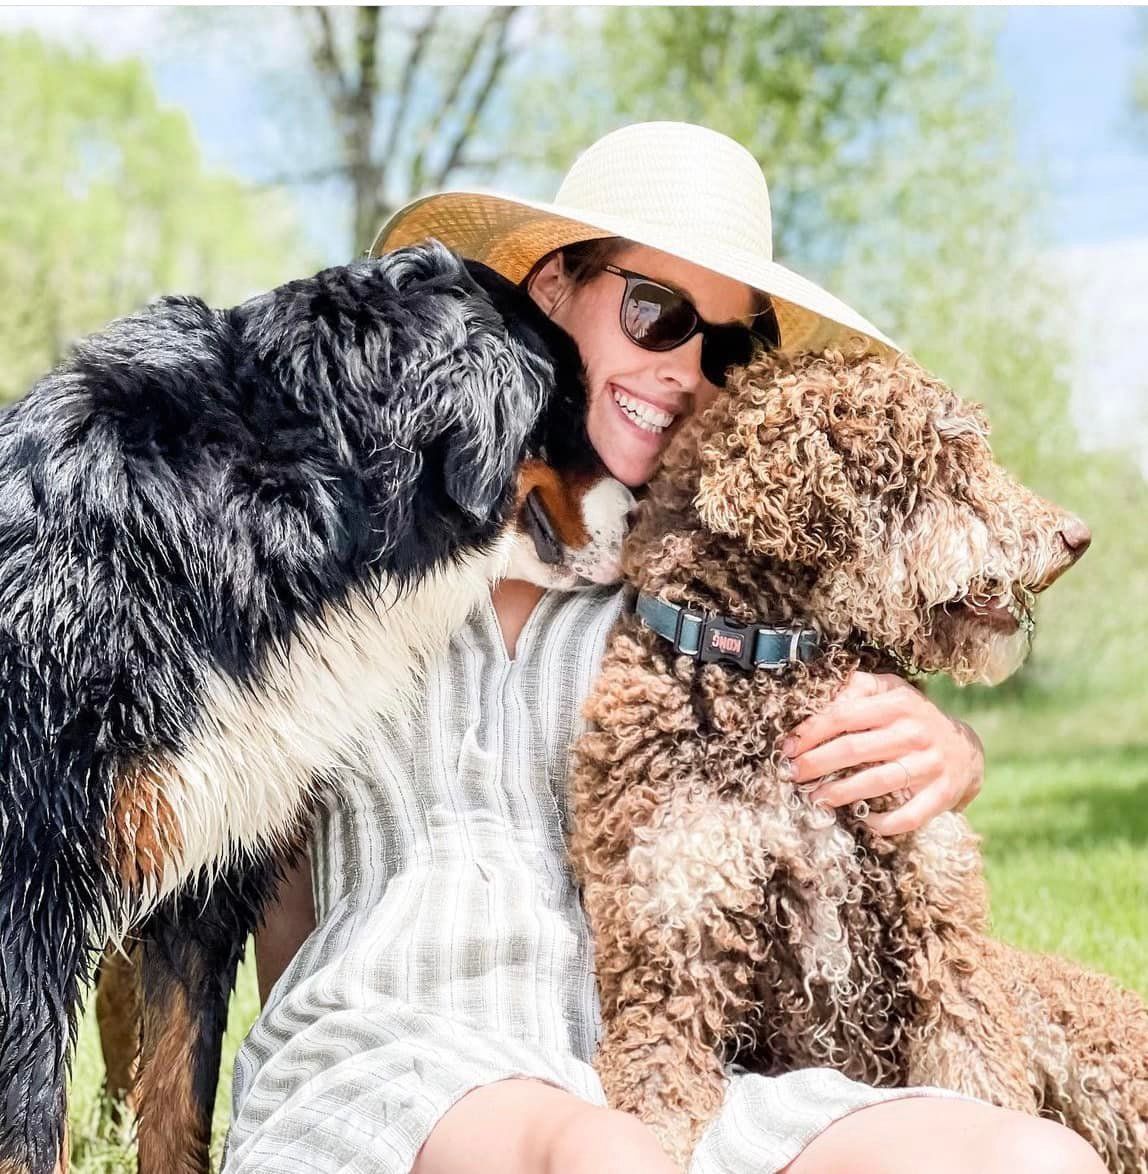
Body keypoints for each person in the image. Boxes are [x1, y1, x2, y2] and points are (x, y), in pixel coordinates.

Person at [224, 123, 1103, 1174]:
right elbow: (259, 860)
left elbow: (863, 695)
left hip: (647, 1074)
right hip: (384, 1056)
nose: (686, 369)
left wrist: (946, 746)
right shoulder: (351, 546)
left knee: (1029, 1158)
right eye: (658, 313)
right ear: (554, 288)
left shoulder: (709, 593)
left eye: (727, 347)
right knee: (599, 1157)